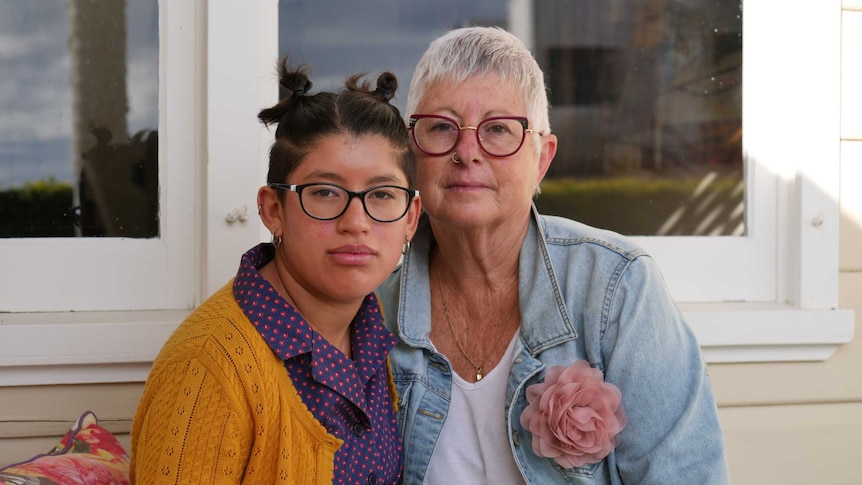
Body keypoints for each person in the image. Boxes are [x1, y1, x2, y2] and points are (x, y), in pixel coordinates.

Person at [376, 26, 731, 484]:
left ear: (541, 158)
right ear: (411, 152)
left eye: (499, 129)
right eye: (441, 127)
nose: (467, 152)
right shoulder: (375, 308)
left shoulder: (617, 288)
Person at [130, 58, 420, 484]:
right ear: (272, 210)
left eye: (381, 194)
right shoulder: (207, 368)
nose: (356, 221)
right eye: (324, 192)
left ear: (411, 217)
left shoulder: (374, 335)